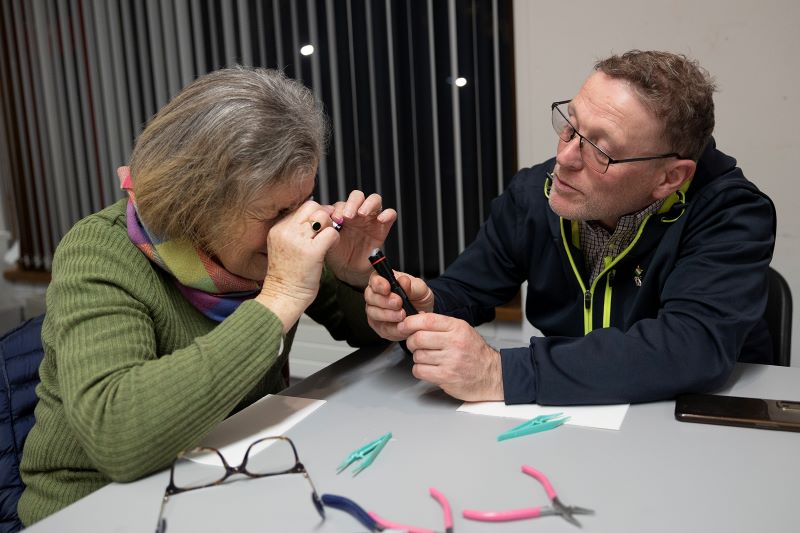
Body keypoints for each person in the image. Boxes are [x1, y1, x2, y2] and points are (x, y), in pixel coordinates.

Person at [18, 67, 395, 525]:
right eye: (275, 211)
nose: (294, 224)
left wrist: (357, 276)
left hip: (231, 478)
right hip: (96, 508)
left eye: (301, 203)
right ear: (198, 204)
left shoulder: (257, 242)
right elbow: (118, 437)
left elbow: (373, 337)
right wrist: (278, 299)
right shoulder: (100, 251)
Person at [365, 50, 776, 406]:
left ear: (670, 177)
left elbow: (690, 349)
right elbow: (468, 289)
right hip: (570, 416)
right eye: (570, 125)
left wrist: (500, 373)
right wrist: (427, 306)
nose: (564, 158)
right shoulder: (535, 194)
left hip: (693, 427)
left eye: (600, 149)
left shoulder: (731, 214)